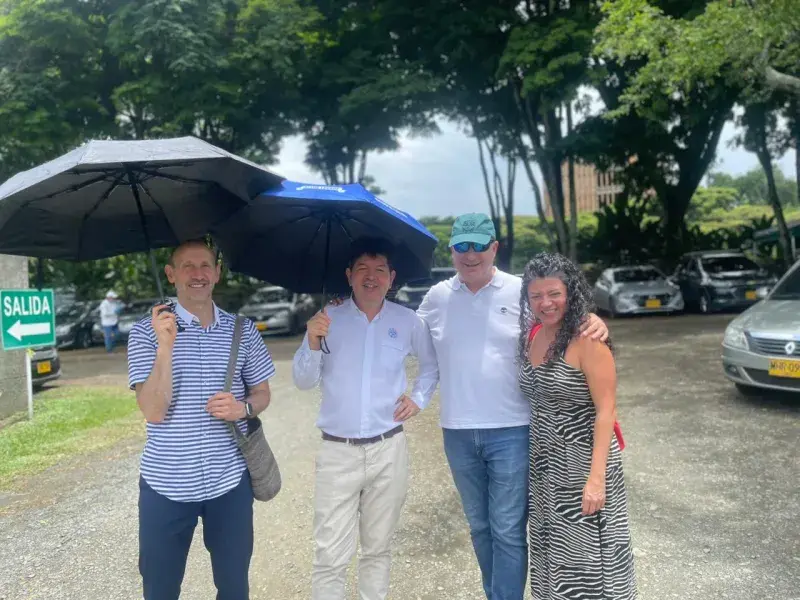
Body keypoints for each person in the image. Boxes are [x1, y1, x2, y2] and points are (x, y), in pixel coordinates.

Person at [416, 213, 608, 600]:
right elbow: (402, 337)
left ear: (494, 248)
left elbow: (560, 316)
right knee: (479, 527)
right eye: (461, 247)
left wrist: (593, 318)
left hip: (513, 429)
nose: (470, 255)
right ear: (451, 250)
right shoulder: (437, 298)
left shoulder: (521, 291)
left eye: (479, 246)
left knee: (506, 527)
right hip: (457, 431)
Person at [126, 239, 275, 600]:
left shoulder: (242, 331)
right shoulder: (144, 333)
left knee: (234, 587)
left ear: (217, 272)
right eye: (188, 266)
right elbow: (153, 412)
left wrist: (243, 409)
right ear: (171, 274)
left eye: (205, 265)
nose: (198, 274)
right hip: (167, 486)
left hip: (229, 482)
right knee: (160, 589)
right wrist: (165, 349)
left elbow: (262, 394)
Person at [292, 237, 439, 600]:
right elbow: (303, 381)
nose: (371, 278)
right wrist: (312, 340)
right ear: (348, 275)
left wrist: (418, 399)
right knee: (329, 554)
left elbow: (431, 366)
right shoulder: (328, 319)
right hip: (338, 453)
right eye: (362, 270)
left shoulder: (408, 322)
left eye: (379, 271)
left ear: (391, 277)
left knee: (378, 549)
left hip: (389, 449)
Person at [518, 252, 637, 599]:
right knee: (553, 552)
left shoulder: (588, 339)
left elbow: (606, 410)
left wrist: (596, 479)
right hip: (545, 469)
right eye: (536, 295)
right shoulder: (532, 335)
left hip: (585, 464)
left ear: (570, 292)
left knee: (590, 560)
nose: (546, 302)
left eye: (554, 293)